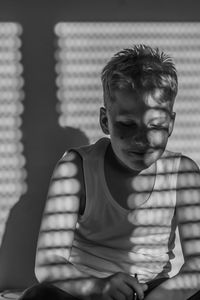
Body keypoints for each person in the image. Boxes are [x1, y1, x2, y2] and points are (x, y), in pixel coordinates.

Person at [20, 45, 200, 300]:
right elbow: (49, 262)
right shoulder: (76, 169)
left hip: (156, 291)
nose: (142, 139)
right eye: (127, 125)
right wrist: (98, 288)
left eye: (156, 126)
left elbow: (197, 267)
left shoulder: (183, 174)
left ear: (170, 124)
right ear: (105, 121)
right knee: (38, 297)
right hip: (89, 288)